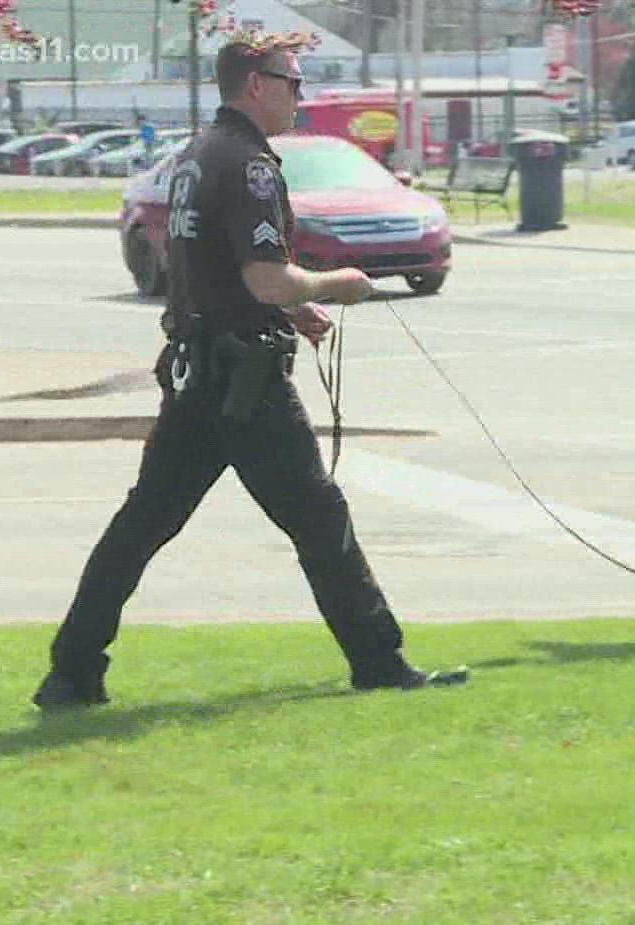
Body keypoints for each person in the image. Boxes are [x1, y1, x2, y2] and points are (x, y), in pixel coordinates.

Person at [32, 35, 469, 709]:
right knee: (320, 518)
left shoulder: (196, 156)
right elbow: (264, 276)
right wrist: (334, 284)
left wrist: (296, 312)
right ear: (254, 85)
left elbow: (205, 271)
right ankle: (380, 664)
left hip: (195, 371)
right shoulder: (250, 165)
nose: (301, 94)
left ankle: (71, 672)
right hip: (245, 383)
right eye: (291, 82)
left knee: (142, 524)